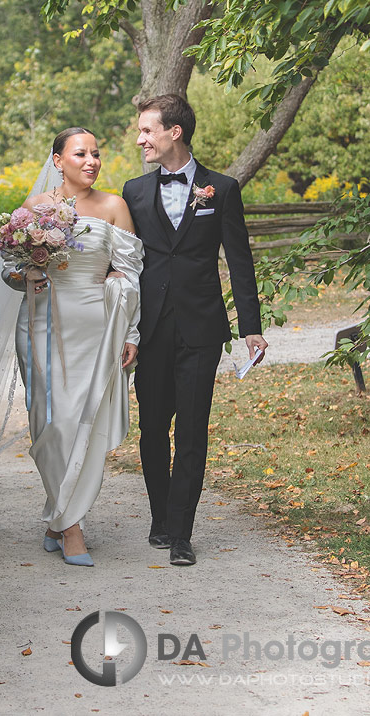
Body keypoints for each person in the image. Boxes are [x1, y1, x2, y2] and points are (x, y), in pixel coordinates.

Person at [122, 94, 267, 567]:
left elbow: (239, 262)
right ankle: (159, 517)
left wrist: (251, 328)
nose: (141, 139)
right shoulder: (134, 192)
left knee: (191, 432)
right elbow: (123, 261)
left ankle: (181, 533)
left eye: (147, 130)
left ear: (174, 133)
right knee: (151, 430)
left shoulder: (220, 189)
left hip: (202, 330)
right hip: (150, 329)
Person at [4, 127, 143, 566]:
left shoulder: (115, 207)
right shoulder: (36, 209)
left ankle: (57, 519)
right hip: (43, 326)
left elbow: (129, 275)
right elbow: (9, 272)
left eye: (96, 153)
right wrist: (29, 273)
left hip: (97, 333)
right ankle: (72, 529)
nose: (91, 161)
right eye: (80, 153)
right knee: (54, 424)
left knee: (85, 422)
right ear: (57, 160)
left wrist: (130, 332)